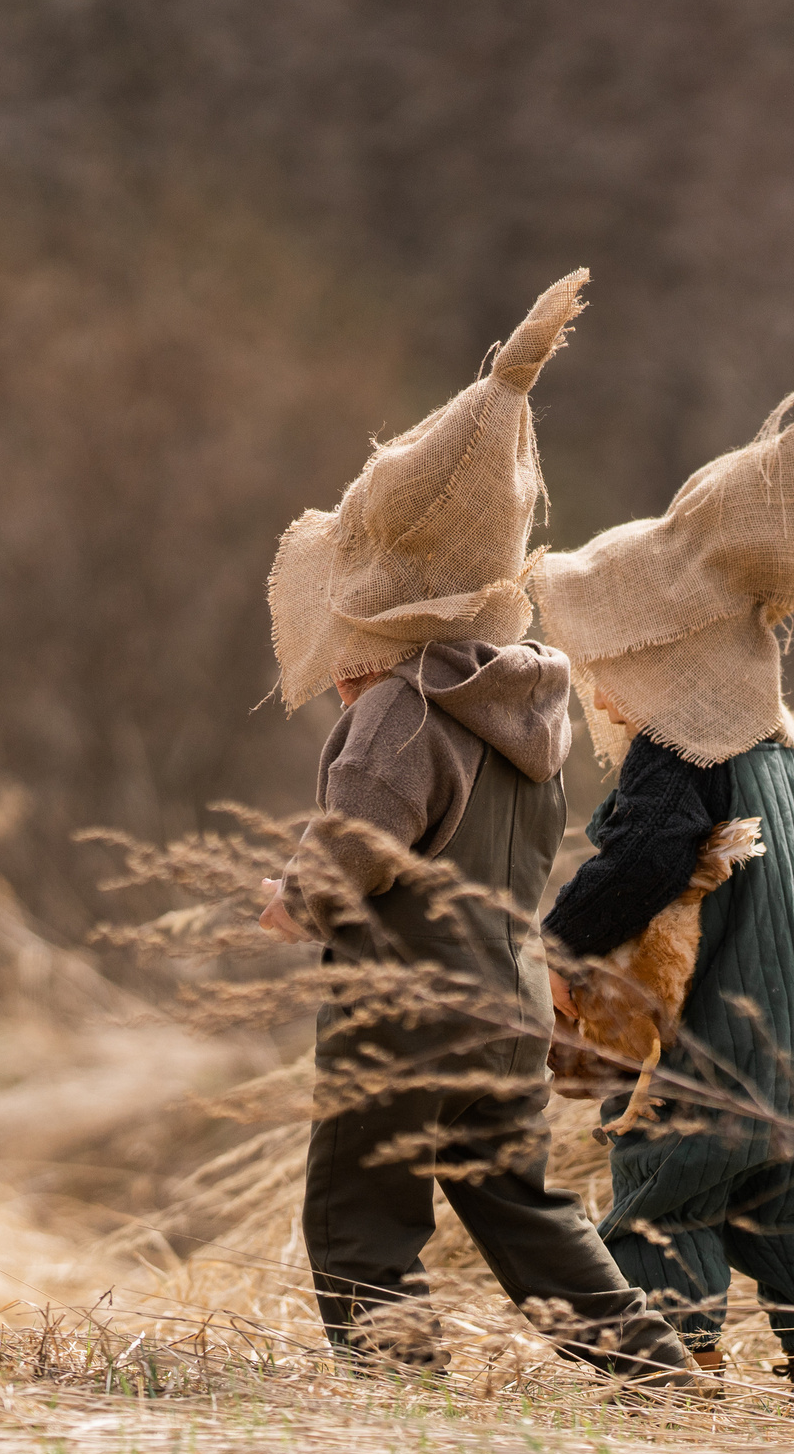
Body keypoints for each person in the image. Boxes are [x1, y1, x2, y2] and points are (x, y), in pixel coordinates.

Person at [259, 268, 701, 1389]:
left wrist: (293, 897)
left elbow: (365, 835)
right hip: (503, 996)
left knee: (362, 1198)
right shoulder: (529, 705)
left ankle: (400, 1380)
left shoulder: (403, 709)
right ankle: (649, 1363)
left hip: (405, 1003)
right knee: (520, 1205)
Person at [531, 323, 794, 1404]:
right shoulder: (787, 751)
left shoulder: (674, 754)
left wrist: (559, 939)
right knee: (787, 1197)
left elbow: (640, 861)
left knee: (661, 1190)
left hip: (724, 1030)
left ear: (655, 655)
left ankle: (676, 1361)